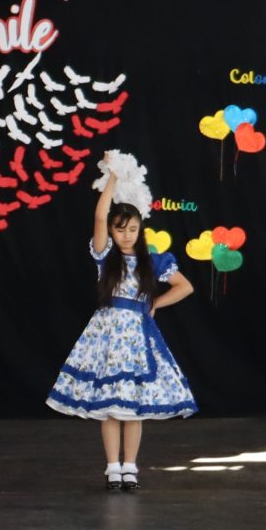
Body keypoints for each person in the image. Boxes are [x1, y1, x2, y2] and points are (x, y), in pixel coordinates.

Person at [47, 183, 196, 488]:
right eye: (120, 229)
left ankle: (130, 467)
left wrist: (155, 303)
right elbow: (99, 216)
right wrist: (112, 178)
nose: (127, 235)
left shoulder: (152, 260)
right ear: (112, 232)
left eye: (133, 229)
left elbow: (185, 286)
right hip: (107, 337)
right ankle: (112, 468)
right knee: (110, 409)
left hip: (137, 338)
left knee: (133, 409)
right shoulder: (105, 257)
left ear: (141, 229)